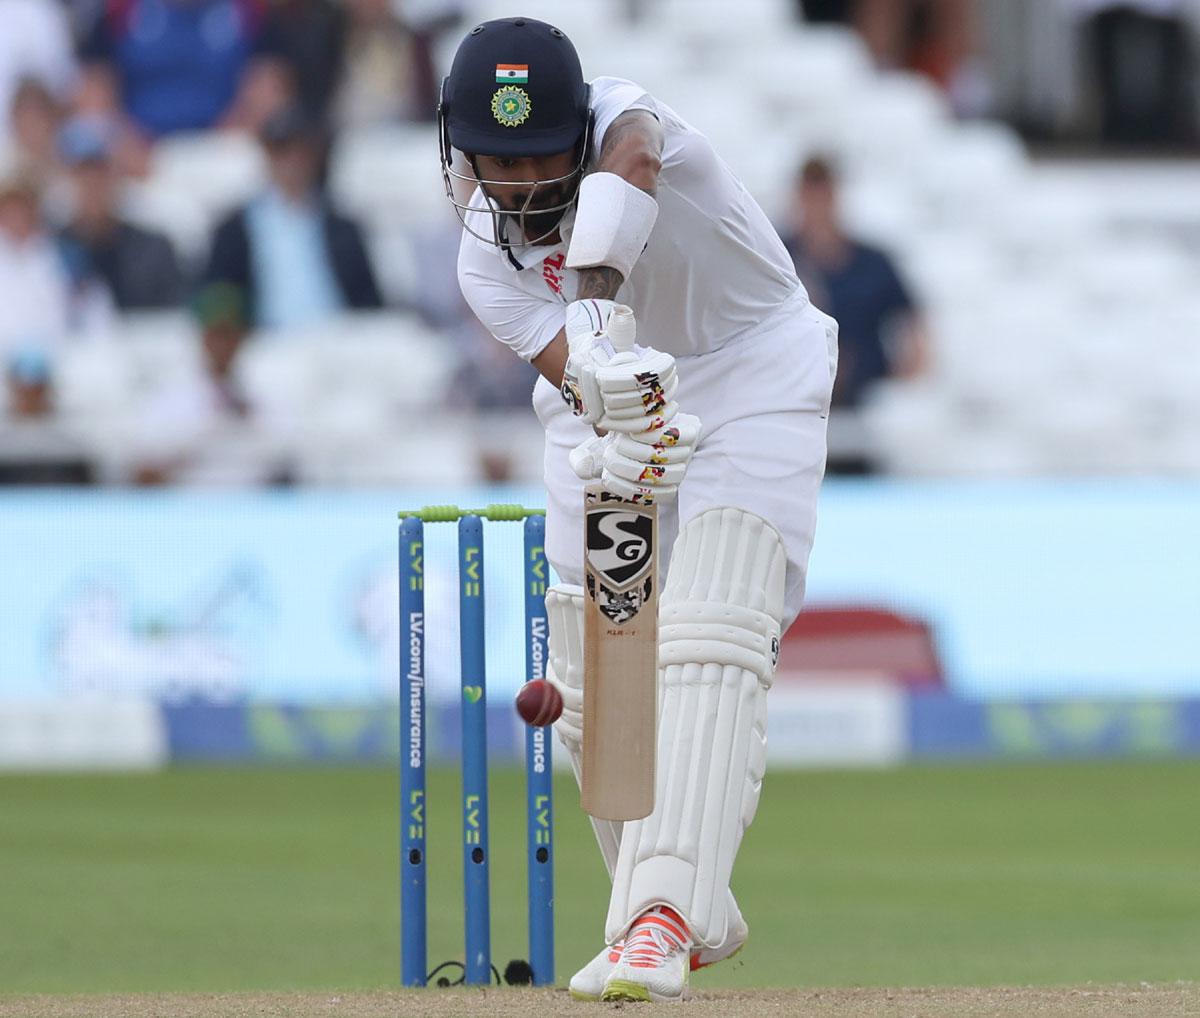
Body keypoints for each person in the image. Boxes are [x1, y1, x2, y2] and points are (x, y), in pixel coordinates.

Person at [441, 17, 837, 1002]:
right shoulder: (482, 267)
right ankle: (676, 893)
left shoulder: (627, 121)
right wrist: (612, 394)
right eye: (495, 161)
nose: (520, 186)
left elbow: (632, 156)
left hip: (752, 371)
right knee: (589, 695)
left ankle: (659, 919)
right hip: (609, 413)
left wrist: (595, 297)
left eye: (538, 159)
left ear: (573, 134)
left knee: (711, 629)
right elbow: (583, 373)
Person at [201, 105, 382, 329]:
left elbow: (370, 300)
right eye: (280, 151)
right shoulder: (233, 230)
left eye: (299, 151)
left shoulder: (344, 228)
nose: (291, 162)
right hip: (262, 346)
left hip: (339, 342)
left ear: (314, 156)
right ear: (266, 155)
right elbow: (217, 297)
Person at [780, 156, 927, 414]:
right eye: (811, 196)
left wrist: (903, 380)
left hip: (865, 404)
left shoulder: (873, 263)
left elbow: (912, 324)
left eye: (824, 195)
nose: (817, 206)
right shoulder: (779, 260)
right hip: (796, 399)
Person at [56, 115, 184, 310]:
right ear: (70, 180)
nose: (93, 185)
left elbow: (170, 318)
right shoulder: (50, 251)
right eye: (84, 175)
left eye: (101, 175)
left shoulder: (154, 248)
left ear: (116, 178)